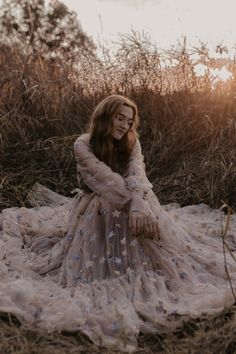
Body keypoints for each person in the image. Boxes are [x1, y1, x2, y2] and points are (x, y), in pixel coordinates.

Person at [1, 94, 236, 352]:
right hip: (98, 208)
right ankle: (115, 260)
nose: (125, 125)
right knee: (108, 205)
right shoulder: (83, 144)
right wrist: (135, 205)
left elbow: (137, 173)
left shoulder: (131, 141)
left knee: (147, 214)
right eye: (119, 118)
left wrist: (140, 205)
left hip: (137, 200)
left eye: (129, 121)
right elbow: (108, 182)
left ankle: (142, 250)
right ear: (105, 117)